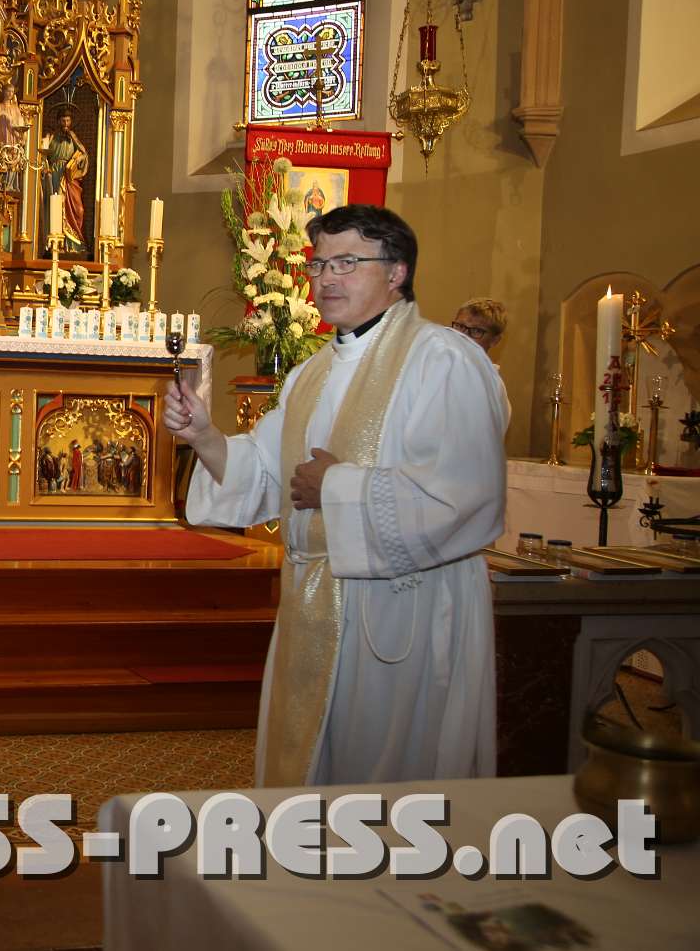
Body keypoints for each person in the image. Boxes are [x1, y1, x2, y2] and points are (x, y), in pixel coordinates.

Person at [164, 204, 507, 787]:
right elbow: (264, 470)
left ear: (396, 271)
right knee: (317, 766)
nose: (326, 278)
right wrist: (205, 435)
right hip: (315, 597)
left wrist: (337, 486)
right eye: (319, 264)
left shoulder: (443, 359)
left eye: (347, 262)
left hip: (403, 605)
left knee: (391, 778)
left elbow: (467, 497)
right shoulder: (313, 373)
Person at [40, 106, 88, 251]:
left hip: (69, 176)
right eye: (63, 120)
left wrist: (78, 160)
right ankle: (56, 242)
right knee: (55, 206)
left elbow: (84, 154)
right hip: (54, 175)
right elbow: (43, 156)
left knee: (78, 209)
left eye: (68, 120)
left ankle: (74, 243)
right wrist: (46, 168)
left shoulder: (73, 137)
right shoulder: (51, 137)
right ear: (58, 121)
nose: (66, 124)